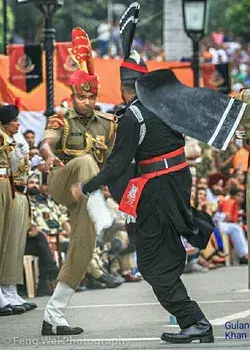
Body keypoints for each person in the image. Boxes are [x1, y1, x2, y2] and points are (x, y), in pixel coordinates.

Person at [71, 3, 215, 344]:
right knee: (165, 256)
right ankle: (191, 313)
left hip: (158, 193)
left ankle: (195, 321)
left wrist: (88, 186)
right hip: (176, 184)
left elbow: (119, 164)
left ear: (124, 87)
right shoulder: (164, 105)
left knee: (150, 265)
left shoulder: (133, 117)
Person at [39, 27, 116, 335]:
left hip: (87, 192)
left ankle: (54, 316)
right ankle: (102, 213)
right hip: (61, 181)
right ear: (72, 97)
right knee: (84, 160)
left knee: (82, 251)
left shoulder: (109, 124)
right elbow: (48, 140)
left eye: (92, 96)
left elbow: (111, 162)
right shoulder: (61, 118)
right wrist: (47, 154)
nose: (87, 101)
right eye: (82, 97)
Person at [0, 103, 36, 315]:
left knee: (12, 242)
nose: (18, 123)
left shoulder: (12, 139)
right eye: (14, 120)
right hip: (6, 185)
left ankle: (9, 288)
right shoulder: (4, 138)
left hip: (13, 187)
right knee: (4, 240)